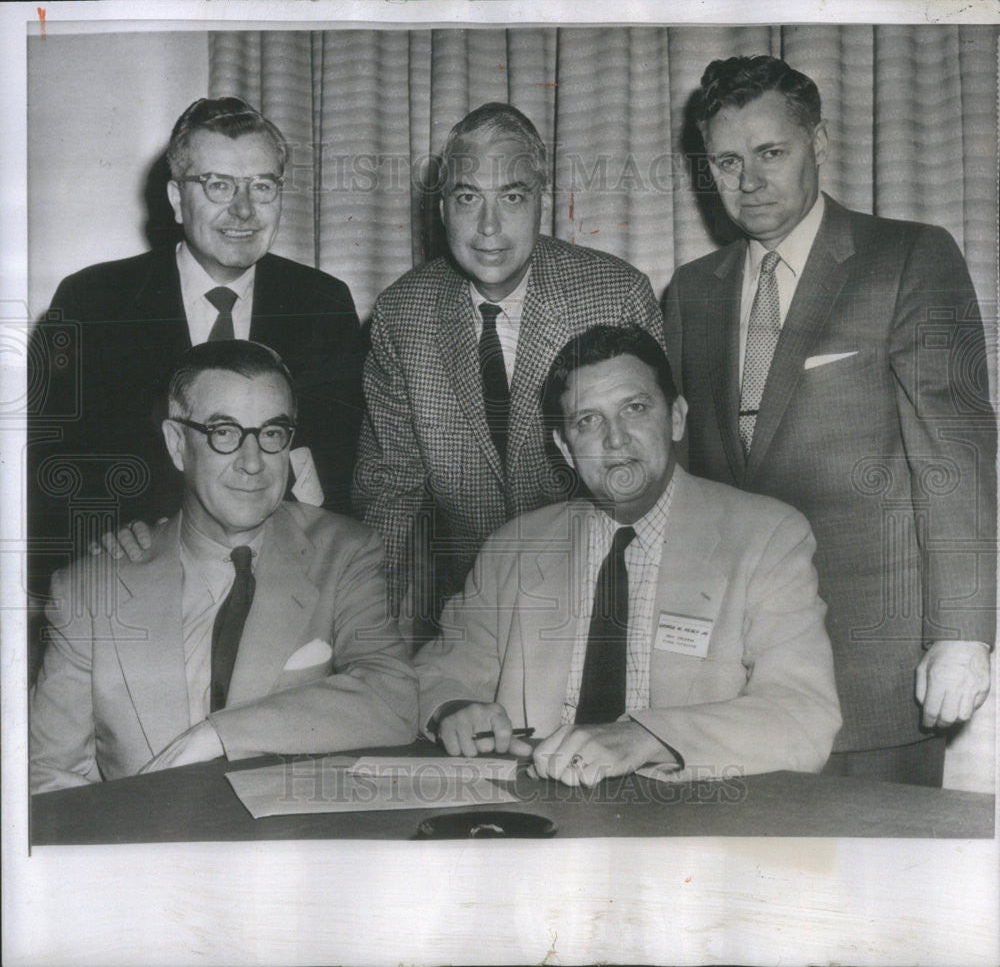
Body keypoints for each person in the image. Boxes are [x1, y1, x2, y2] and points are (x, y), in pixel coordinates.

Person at [663, 55, 996, 786]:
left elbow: (957, 458)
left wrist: (963, 636)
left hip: (876, 680)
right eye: (725, 161)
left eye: (770, 153)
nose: (747, 182)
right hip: (735, 686)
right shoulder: (690, 294)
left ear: (819, 142)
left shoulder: (908, 258)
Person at [414, 326, 841, 786]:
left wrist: (646, 738)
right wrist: (453, 709)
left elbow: (803, 715)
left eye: (634, 409)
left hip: (687, 823)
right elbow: (436, 673)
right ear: (564, 447)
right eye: (587, 421)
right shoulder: (514, 546)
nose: (615, 440)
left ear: (676, 418)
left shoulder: (766, 536)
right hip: (538, 814)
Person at [30, 341, 416, 795]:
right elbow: (51, 784)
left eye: (272, 433)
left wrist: (218, 734)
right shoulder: (89, 591)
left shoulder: (345, 552)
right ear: (177, 444)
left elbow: (394, 699)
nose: (253, 463)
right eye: (225, 432)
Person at [353, 102, 665, 635]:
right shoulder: (402, 315)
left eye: (512, 197)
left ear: (542, 203)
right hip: (470, 612)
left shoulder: (616, 296)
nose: (489, 227)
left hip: (609, 601)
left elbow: (658, 478)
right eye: (468, 197)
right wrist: (367, 636)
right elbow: (391, 498)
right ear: (443, 209)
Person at [30, 97, 366, 544]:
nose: (244, 210)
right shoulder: (91, 301)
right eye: (218, 186)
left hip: (277, 563)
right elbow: (49, 459)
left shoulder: (323, 303)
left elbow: (343, 461)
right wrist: (107, 529)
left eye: (262, 186)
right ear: (176, 198)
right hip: (133, 565)